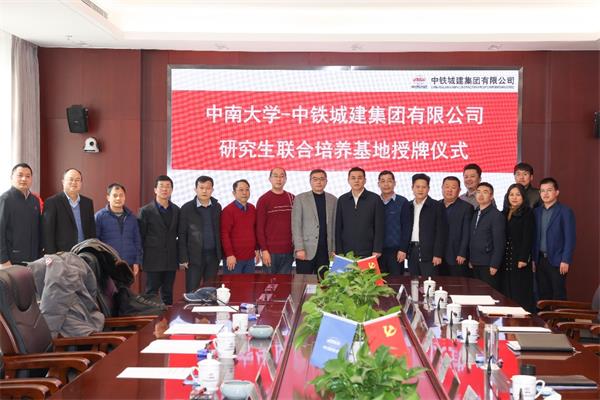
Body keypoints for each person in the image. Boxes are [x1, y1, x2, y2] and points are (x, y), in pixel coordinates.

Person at [138, 175, 180, 305]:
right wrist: (139, 259)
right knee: (151, 292)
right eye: (161, 186)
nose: (165, 189)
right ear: (155, 190)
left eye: (168, 186)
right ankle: (151, 318)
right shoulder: (145, 211)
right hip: (152, 259)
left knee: (168, 293)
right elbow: (140, 236)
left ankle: (167, 318)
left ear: (172, 190)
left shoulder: (177, 210)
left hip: (171, 259)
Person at [532, 177, 576, 301]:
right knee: (543, 295)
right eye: (542, 191)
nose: (545, 194)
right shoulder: (536, 212)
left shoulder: (565, 211)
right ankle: (546, 315)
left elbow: (570, 238)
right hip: (540, 260)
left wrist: (565, 260)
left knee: (558, 295)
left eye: (549, 190)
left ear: (556, 192)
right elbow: (534, 238)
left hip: (558, 261)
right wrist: (533, 259)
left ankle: (561, 315)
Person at [178, 176, 222, 292]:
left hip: (213, 256)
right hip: (194, 257)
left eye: (208, 188)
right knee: (192, 290)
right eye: (201, 188)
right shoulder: (187, 208)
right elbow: (181, 234)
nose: (204, 191)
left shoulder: (217, 207)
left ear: (212, 190)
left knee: (211, 290)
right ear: (195, 189)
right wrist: (183, 257)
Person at [291, 169, 337, 277]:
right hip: (305, 250)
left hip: (325, 250)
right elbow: (296, 225)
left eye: (322, 179)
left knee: (323, 282)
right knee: (302, 281)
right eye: (315, 179)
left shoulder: (333, 200)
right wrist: (299, 248)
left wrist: (334, 248)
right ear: (310, 181)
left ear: (326, 181)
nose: (318, 182)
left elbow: (335, 226)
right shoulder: (300, 199)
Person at [42, 168, 96, 253]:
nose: (74, 182)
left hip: (84, 253)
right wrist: (52, 256)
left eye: (77, 180)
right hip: (61, 254)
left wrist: (92, 252)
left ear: (81, 183)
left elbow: (92, 231)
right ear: (63, 182)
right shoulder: (52, 202)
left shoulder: (87, 203)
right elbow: (47, 233)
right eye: (71, 179)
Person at [335, 167, 384, 258]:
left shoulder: (375, 199)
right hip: (346, 252)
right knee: (344, 269)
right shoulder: (342, 199)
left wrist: (377, 249)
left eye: (360, 178)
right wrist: (339, 250)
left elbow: (379, 226)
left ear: (365, 180)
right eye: (353, 178)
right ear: (348, 180)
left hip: (368, 251)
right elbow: (338, 227)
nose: (356, 181)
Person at [95, 183, 142, 276]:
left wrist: (137, 261)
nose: (118, 198)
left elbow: (137, 241)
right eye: (115, 195)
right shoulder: (99, 217)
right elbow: (95, 242)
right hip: (108, 263)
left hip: (128, 263)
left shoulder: (132, 217)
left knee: (126, 286)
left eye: (121, 195)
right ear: (108, 197)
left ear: (125, 197)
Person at [501, 183, 535, 312]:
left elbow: (528, 237)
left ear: (523, 197)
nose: (514, 198)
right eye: (511, 195)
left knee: (519, 289)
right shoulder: (504, 213)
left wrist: (523, 258)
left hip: (519, 257)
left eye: (518, 195)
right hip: (505, 257)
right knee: (506, 289)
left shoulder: (528, 213)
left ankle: (523, 317)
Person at [0, 163, 42, 266]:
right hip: (12, 260)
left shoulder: (35, 200)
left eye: (28, 176)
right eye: (20, 175)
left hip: (34, 259)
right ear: (12, 177)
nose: (24, 179)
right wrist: (3, 260)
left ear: (31, 179)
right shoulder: (5, 199)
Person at [256, 167, 295, 274]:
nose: (279, 179)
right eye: (275, 176)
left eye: (282, 176)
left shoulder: (292, 198)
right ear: (270, 179)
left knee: (285, 282)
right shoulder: (263, 200)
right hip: (270, 252)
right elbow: (259, 228)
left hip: (288, 251)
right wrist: (264, 250)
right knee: (269, 283)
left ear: (285, 179)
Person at [407, 173, 446, 278]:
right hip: (412, 251)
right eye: (417, 187)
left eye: (424, 187)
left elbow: (441, 232)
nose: (420, 190)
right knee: (413, 282)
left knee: (429, 283)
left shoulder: (437, 206)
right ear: (412, 188)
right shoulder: (408, 205)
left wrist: (437, 254)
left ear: (428, 188)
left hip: (429, 254)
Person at [469, 182, 505, 290]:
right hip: (475, 262)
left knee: (488, 293)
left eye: (485, 192)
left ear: (491, 196)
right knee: (476, 292)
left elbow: (499, 243)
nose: (481, 195)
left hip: (488, 263)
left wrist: (495, 264)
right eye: (478, 192)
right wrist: (471, 259)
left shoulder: (496, 215)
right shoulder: (475, 213)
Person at [221, 179, 260, 274]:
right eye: (241, 190)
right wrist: (229, 254)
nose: (244, 193)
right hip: (234, 259)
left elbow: (254, 230)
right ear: (234, 193)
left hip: (250, 258)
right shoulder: (228, 211)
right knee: (234, 283)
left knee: (249, 283)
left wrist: (256, 249)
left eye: (247, 189)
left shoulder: (252, 208)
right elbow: (224, 234)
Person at [377, 170, 410, 276]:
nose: (386, 184)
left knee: (396, 281)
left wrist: (403, 249)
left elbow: (407, 227)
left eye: (389, 181)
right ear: (378, 184)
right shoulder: (374, 201)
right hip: (377, 252)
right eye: (383, 181)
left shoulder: (402, 202)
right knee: (377, 282)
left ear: (394, 183)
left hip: (396, 252)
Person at [439, 176, 473, 277]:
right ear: (442, 188)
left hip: (457, 256)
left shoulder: (466, 208)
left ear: (459, 190)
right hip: (438, 256)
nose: (449, 190)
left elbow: (467, 233)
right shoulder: (436, 205)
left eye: (453, 187)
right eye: (447, 187)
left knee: (457, 284)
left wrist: (462, 253)